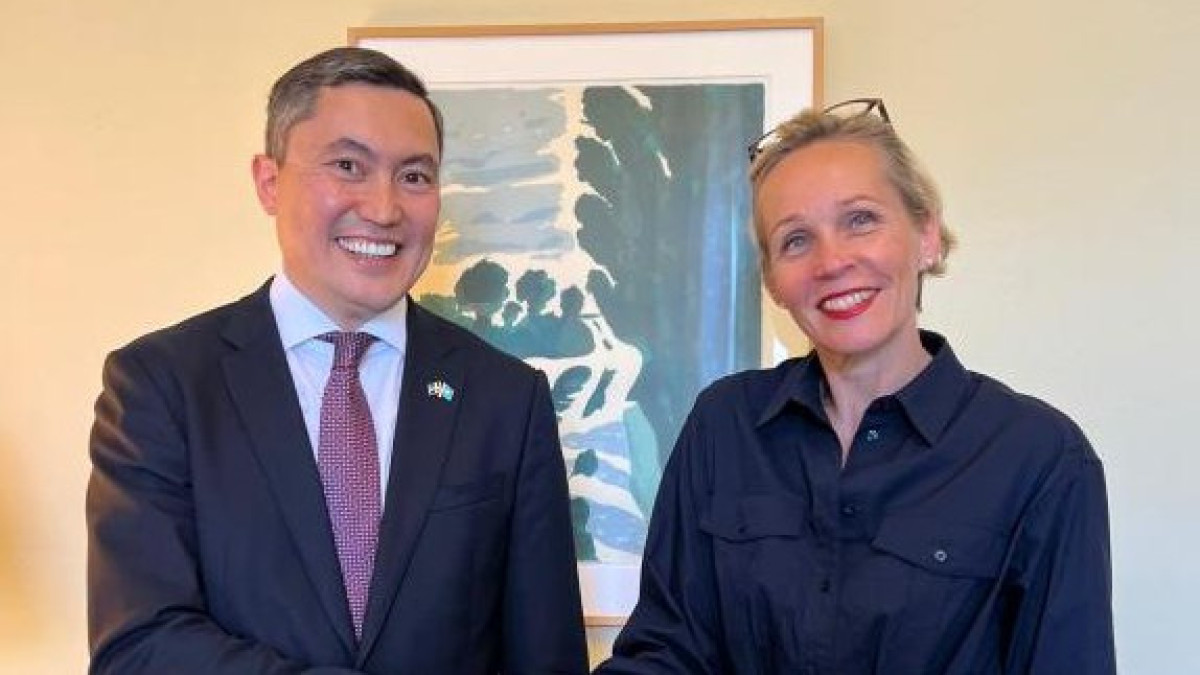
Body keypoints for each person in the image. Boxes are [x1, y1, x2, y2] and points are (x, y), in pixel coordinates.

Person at [86, 47, 588, 674]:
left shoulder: (505, 399)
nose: (384, 208)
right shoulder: (163, 386)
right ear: (269, 182)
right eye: (349, 166)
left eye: (414, 176)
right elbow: (140, 648)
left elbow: (546, 656)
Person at [595, 99, 1115, 674]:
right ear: (773, 282)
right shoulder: (723, 424)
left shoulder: (1040, 455)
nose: (831, 261)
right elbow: (668, 650)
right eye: (796, 240)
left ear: (926, 235)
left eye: (861, 220)